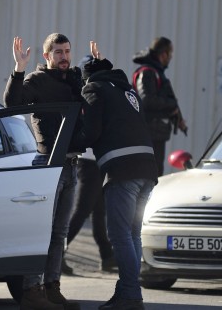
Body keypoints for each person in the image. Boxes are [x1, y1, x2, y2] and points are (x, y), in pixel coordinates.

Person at [3, 33, 85, 310]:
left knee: (60, 233)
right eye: (58, 52)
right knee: (42, 231)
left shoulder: (75, 80)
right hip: (48, 164)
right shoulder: (36, 81)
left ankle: (52, 288)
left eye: (67, 51)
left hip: (73, 165)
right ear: (47, 56)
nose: (64, 57)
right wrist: (18, 69)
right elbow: (11, 105)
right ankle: (31, 290)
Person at [79, 42, 158, 310]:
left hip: (122, 170)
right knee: (133, 234)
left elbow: (90, 132)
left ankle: (131, 296)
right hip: (147, 168)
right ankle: (127, 290)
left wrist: (69, 142)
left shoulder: (93, 88)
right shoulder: (127, 90)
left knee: (120, 235)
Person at [62, 55, 116, 276]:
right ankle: (58, 254)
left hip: (97, 161)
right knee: (82, 210)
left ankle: (107, 256)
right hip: (88, 162)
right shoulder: (87, 94)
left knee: (99, 210)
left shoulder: (95, 92)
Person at [132, 37, 187, 176]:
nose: (171, 57)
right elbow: (146, 100)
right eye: (170, 53)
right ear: (163, 54)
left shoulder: (157, 72)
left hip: (155, 134)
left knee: (155, 174)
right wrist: (170, 105)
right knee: (149, 176)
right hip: (149, 133)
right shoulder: (148, 72)